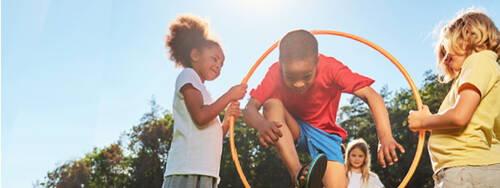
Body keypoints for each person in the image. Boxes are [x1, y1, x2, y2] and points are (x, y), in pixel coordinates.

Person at [242, 29, 405, 188]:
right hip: (292, 128)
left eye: (306, 76)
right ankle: (297, 174)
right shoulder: (274, 72)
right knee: (271, 104)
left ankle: (318, 178)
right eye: (291, 77)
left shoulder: (331, 68)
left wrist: (385, 137)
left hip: (325, 134)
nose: (299, 84)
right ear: (281, 65)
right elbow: (250, 109)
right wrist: (261, 125)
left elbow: (371, 95)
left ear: (317, 62)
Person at [408, 8, 500, 187]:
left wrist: (424, 122)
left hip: (465, 169)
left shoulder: (478, 61)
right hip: (474, 169)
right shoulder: (486, 68)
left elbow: (459, 116)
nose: (445, 60)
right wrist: (431, 120)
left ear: (469, 37)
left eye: (448, 52)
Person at [162, 15, 247, 188]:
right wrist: (229, 95)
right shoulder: (188, 76)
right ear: (195, 55)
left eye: (222, 64)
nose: (218, 66)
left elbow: (212, 136)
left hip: (206, 171)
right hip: (187, 169)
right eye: (215, 58)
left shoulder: (204, 92)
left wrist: (226, 120)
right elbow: (200, 117)